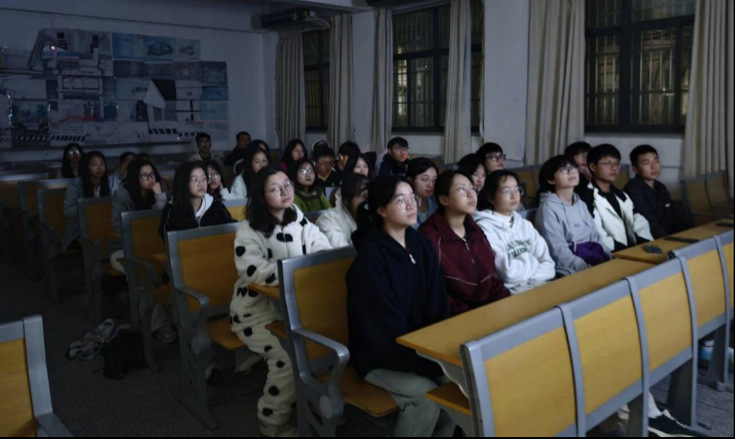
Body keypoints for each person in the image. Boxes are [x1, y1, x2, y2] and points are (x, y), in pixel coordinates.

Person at [347, 175, 454, 437]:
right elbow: (382, 330)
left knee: (457, 387)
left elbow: (438, 302)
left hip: (421, 350)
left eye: (412, 198)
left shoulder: (420, 244)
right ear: (381, 210)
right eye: (400, 200)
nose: (411, 204)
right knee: (426, 397)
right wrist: (428, 363)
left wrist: (439, 353)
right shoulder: (370, 259)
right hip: (379, 357)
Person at [229, 166, 332, 437]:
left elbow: (321, 245)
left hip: (297, 308)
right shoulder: (249, 229)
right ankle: (272, 419)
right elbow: (254, 272)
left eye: (287, 184)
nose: (286, 191)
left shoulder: (296, 215)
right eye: (276, 188)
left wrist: (305, 268)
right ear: (261, 196)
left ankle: (314, 400)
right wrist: (299, 271)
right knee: (288, 358)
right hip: (257, 314)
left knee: (325, 344)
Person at [419, 170, 510, 314]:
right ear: (444, 199)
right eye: (461, 189)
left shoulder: (475, 230)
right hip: (456, 315)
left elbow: (490, 278)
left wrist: (504, 301)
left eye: (472, 188)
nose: (471, 194)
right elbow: (434, 292)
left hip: (486, 310)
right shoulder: (429, 236)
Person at [474, 170, 556, 293]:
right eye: (506, 191)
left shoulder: (525, 225)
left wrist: (526, 279)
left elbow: (549, 266)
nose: (514, 196)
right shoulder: (484, 228)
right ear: (491, 197)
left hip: (539, 286)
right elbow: (508, 274)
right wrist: (533, 261)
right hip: (511, 294)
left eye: (517, 189)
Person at [534, 155, 610, 276]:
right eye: (564, 170)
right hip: (573, 269)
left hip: (595, 258)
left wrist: (608, 258)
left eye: (574, 168)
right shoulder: (547, 209)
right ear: (551, 180)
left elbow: (596, 237)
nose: (572, 172)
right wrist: (586, 269)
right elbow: (558, 251)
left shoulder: (580, 203)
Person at [584, 144, 653, 252]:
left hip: (633, 251)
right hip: (611, 254)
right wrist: (623, 250)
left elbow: (638, 221)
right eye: (607, 164)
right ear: (593, 167)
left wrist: (644, 243)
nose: (614, 168)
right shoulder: (587, 197)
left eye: (616, 164)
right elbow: (597, 234)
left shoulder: (621, 195)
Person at [158, 161, 235, 241]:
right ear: (184, 182)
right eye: (195, 179)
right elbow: (168, 238)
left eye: (204, 178)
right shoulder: (171, 210)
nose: (201, 184)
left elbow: (231, 226)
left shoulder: (216, 205)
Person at [62, 151, 115, 250]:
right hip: (80, 232)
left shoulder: (112, 182)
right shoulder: (76, 185)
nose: (99, 168)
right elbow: (68, 210)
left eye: (102, 164)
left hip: (106, 229)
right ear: (86, 166)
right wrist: (93, 211)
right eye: (94, 164)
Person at [624, 144, 678, 239]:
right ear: (635, 169)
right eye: (646, 163)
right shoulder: (633, 190)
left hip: (668, 237)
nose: (654, 167)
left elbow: (674, 215)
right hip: (649, 240)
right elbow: (650, 223)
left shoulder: (660, 186)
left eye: (656, 161)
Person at [111, 158, 167, 233]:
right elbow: (117, 226)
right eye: (145, 175)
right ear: (135, 177)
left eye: (152, 174)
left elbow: (165, 221)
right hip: (131, 235)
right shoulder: (122, 195)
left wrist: (159, 196)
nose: (150, 178)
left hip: (152, 233)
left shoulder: (157, 191)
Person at [316, 173, 369, 248]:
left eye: (369, 196)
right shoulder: (329, 220)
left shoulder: (373, 216)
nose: (367, 201)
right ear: (346, 200)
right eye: (363, 196)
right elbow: (344, 252)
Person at [406, 158, 438, 228]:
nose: (430, 185)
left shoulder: (436, 203)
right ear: (410, 179)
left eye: (434, 180)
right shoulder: (405, 205)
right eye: (425, 179)